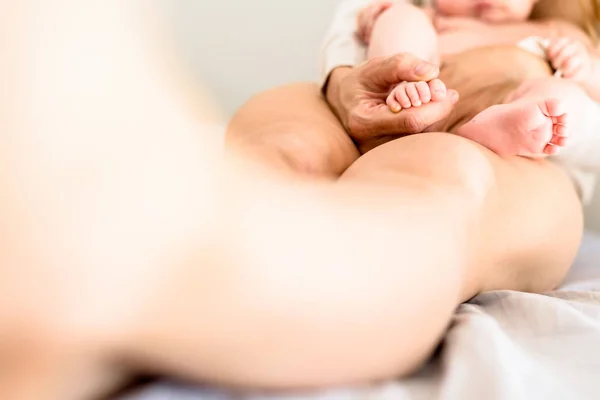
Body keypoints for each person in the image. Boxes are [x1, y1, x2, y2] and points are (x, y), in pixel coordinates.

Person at [0, 1, 588, 399]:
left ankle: (162, 277)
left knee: (439, 178)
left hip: (513, 148)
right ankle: (182, 222)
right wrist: (348, 79)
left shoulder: (565, 38)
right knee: (286, 135)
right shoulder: (419, 11)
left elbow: (582, 117)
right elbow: (357, 35)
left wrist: (557, 98)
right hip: (358, 101)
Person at [362, 0, 600, 158]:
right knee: (401, 17)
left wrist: (585, 68)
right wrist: (377, 16)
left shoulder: (556, 30)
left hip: (508, 102)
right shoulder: (434, 19)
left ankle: (502, 130)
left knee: (563, 98)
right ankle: (400, 81)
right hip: (425, 86)